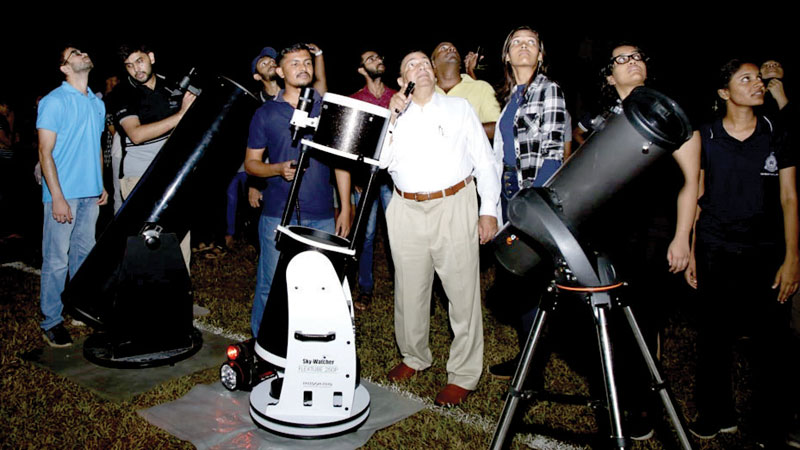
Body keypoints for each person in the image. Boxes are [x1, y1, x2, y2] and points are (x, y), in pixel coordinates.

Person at [685, 60, 799, 447]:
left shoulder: (776, 131)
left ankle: (773, 426)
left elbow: (789, 198)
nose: (757, 85)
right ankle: (716, 413)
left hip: (765, 251)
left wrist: (792, 258)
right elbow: (697, 195)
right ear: (723, 93)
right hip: (717, 246)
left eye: (758, 79)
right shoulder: (706, 134)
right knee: (713, 336)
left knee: (773, 344)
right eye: (745, 79)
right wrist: (693, 249)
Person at [381, 51, 500, 407]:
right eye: (411, 66)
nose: (421, 69)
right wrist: (391, 118)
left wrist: (488, 210)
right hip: (405, 207)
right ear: (403, 80)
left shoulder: (459, 109)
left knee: (461, 291)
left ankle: (463, 373)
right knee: (409, 289)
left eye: (424, 63)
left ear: (433, 72)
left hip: (454, 204)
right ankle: (414, 356)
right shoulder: (393, 116)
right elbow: (380, 162)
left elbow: (485, 161)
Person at [245, 43, 351, 337]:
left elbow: (340, 161)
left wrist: (345, 206)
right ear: (279, 72)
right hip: (278, 214)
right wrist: (277, 169)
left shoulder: (327, 108)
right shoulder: (266, 113)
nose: (303, 68)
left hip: (321, 214)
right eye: (294, 63)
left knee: (320, 286)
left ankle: (310, 345)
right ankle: (263, 343)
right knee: (271, 282)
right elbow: (252, 164)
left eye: (306, 62)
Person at [487, 26, 569, 379]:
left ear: (540, 55)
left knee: (533, 280)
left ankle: (532, 368)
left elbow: (553, 153)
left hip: (529, 195)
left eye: (531, 42)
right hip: (509, 193)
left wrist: (533, 205)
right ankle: (528, 357)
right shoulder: (512, 98)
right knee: (518, 278)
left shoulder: (548, 90)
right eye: (516, 43)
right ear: (507, 55)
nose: (523, 47)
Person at [37, 46, 108, 347]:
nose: (83, 54)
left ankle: (79, 308)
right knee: (56, 259)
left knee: (85, 255)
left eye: (82, 51)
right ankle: (51, 320)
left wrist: (100, 184)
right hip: (63, 193)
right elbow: (45, 152)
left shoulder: (96, 103)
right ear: (65, 67)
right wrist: (57, 197)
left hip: (90, 193)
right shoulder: (54, 101)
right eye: (74, 53)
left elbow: (95, 147)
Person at [112, 44, 196, 270]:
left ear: (151, 57)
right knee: (146, 246)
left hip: (173, 176)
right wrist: (181, 116)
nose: (136, 69)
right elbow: (136, 134)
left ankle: (179, 299)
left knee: (179, 240)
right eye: (129, 65)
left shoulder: (172, 86)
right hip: (139, 178)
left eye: (139, 61)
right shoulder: (122, 93)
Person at [349, 50, 396, 310]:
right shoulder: (356, 100)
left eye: (379, 57)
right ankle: (365, 289)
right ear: (361, 70)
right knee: (365, 236)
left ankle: (405, 287)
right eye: (369, 59)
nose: (377, 60)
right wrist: (356, 175)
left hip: (393, 180)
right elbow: (351, 143)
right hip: (365, 179)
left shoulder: (397, 97)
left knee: (398, 235)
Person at [432, 41, 501, 139]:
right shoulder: (423, 93)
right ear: (433, 64)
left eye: (454, 49)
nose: (451, 49)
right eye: (443, 48)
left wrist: (462, 131)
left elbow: (498, 127)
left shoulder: (481, 87)